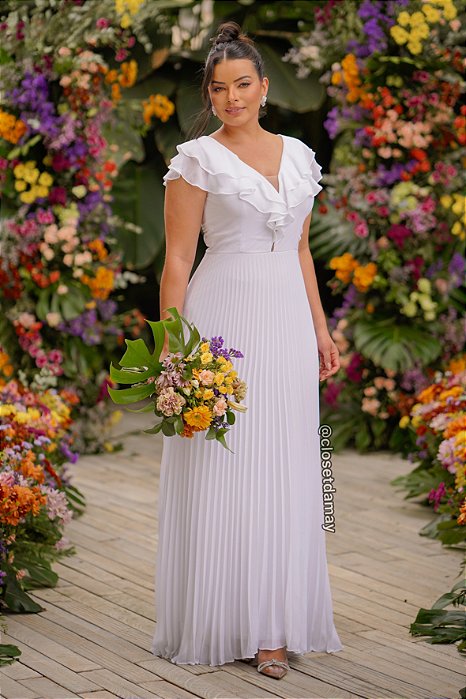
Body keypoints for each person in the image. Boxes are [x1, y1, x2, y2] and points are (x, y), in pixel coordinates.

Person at [151, 20, 343, 680]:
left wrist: (320, 328)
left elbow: (299, 249)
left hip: (287, 321)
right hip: (221, 321)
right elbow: (177, 259)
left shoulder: (299, 155)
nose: (232, 97)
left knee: (285, 465)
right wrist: (172, 354)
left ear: (264, 87)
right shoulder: (196, 159)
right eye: (219, 88)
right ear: (210, 94)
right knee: (226, 464)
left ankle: (274, 626)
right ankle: (228, 617)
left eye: (243, 85)